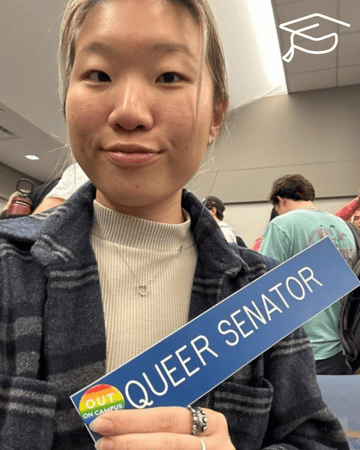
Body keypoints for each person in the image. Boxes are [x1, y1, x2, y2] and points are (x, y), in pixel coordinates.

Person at [0, 1, 350, 450]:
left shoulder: (261, 291)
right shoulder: (10, 269)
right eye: (99, 75)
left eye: (168, 76)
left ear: (216, 116)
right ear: (67, 100)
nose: (129, 112)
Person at [260, 174, 356, 375]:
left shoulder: (282, 224)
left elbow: (263, 287)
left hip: (299, 351)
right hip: (339, 348)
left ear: (281, 200)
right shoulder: (344, 227)